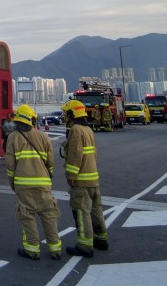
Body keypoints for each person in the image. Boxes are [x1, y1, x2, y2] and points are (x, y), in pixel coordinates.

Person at [5, 104, 62, 261]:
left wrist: (13, 183)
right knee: (49, 215)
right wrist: (47, 177)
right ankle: (55, 249)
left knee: (27, 216)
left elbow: (10, 165)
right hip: (43, 183)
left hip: (23, 184)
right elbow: (50, 161)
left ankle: (32, 250)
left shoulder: (13, 137)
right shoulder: (43, 136)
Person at [62, 100, 108, 258]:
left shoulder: (76, 130)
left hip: (81, 180)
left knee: (82, 212)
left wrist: (71, 175)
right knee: (96, 211)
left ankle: (84, 246)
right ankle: (101, 238)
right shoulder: (88, 129)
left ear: (71, 114)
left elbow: (75, 154)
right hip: (93, 178)